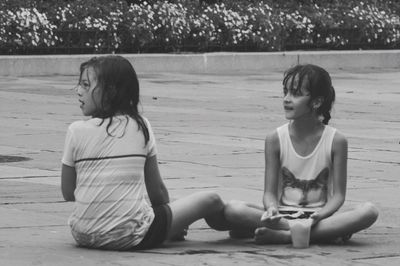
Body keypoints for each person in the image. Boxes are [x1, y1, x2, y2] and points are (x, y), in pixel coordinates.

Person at [61, 55, 228, 250]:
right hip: (128, 235)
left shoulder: (75, 130)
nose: (78, 91)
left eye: (86, 85)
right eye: (80, 85)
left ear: (111, 91)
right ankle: (253, 224)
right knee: (211, 200)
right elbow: (157, 192)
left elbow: (68, 192)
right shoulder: (141, 126)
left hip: (83, 234)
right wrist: (173, 223)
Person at [224, 64, 379, 244]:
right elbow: (269, 193)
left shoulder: (336, 140)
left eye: (296, 94)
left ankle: (286, 236)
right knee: (232, 209)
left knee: (369, 211)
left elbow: (338, 197)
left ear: (316, 102)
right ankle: (313, 233)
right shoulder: (275, 138)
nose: (287, 99)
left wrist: (319, 216)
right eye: (285, 92)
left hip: (318, 216)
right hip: (282, 215)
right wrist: (272, 209)